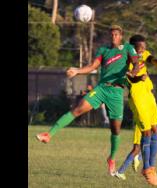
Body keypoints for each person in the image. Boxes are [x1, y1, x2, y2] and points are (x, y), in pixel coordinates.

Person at [36, 25, 140, 176]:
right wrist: (77, 71)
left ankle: (111, 158)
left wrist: (133, 72)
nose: (114, 37)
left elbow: (136, 63)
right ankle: (49, 134)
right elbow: (92, 66)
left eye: (116, 34)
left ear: (121, 35)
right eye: (111, 34)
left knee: (115, 129)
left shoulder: (128, 48)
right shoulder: (103, 50)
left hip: (117, 92)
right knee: (78, 109)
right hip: (102, 88)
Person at [114, 34, 157, 186]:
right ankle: (146, 168)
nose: (142, 51)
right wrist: (139, 78)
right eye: (140, 48)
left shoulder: (144, 53)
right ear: (132, 48)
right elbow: (129, 77)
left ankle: (151, 167)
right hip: (137, 97)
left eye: (144, 48)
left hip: (148, 94)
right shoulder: (125, 59)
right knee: (146, 132)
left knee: (155, 130)